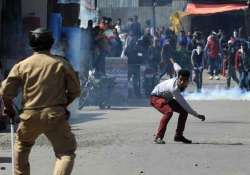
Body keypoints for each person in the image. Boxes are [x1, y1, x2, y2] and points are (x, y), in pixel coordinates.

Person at [0, 28, 81, 175]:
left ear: (31, 44)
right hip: (55, 115)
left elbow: (5, 92)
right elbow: (75, 91)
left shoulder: (22, 65)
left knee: (22, 147)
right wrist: (63, 106)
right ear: (51, 43)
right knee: (66, 152)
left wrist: (9, 109)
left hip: (29, 116)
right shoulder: (61, 63)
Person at [150, 70, 205, 144]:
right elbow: (185, 105)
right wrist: (197, 115)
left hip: (167, 98)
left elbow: (177, 67)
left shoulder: (179, 74)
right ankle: (158, 137)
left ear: (188, 80)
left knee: (184, 112)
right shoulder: (174, 89)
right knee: (168, 112)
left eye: (185, 80)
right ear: (177, 78)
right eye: (181, 79)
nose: (182, 82)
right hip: (156, 98)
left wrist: (173, 62)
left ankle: (178, 136)